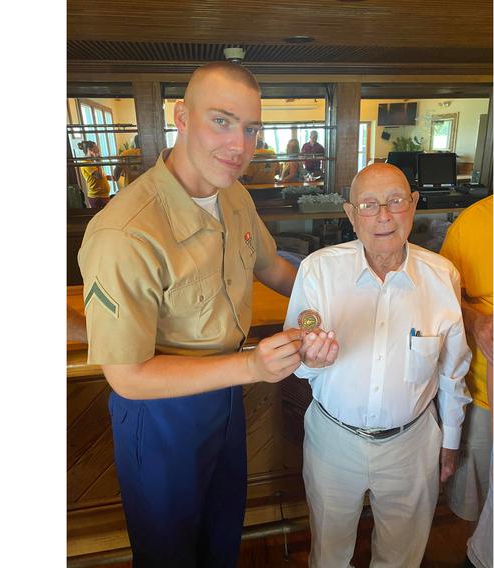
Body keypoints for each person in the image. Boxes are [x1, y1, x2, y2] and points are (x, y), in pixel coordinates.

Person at [77, 61, 304, 567]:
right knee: (168, 551)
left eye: (250, 129)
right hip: (160, 413)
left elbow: (272, 267)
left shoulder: (235, 194)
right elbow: (128, 376)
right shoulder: (125, 232)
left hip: (224, 395)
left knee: (223, 531)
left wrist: (339, 293)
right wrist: (251, 367)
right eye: (221, 121)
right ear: (180, 116)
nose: (239, 146)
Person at [284, 163, 473, 568]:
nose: (383, 216)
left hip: (413, 442)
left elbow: (452, 368)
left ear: (414, 206)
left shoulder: (442, 276)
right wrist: (309, 361)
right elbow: (298, 362)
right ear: (351, 215)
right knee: (329, 555)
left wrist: (451, 440)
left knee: (401, 558)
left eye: (395, 201)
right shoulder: (318, 269)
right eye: (369, 205)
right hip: (333, 441)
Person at [438, 195, 493, 568]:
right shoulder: (476, 221)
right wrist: (477, 322)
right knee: (477, 510)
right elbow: (446, 299)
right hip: (487, 396)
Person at [77, 140, 112, 208]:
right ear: (90, 150)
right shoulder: (85, 163)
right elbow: (98, 176)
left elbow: (99, 175)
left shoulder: (92, 161)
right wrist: (98, 162)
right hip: (97, 197)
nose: (98, 149)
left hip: (103, 196)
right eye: (95, 147)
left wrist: (107, 177)